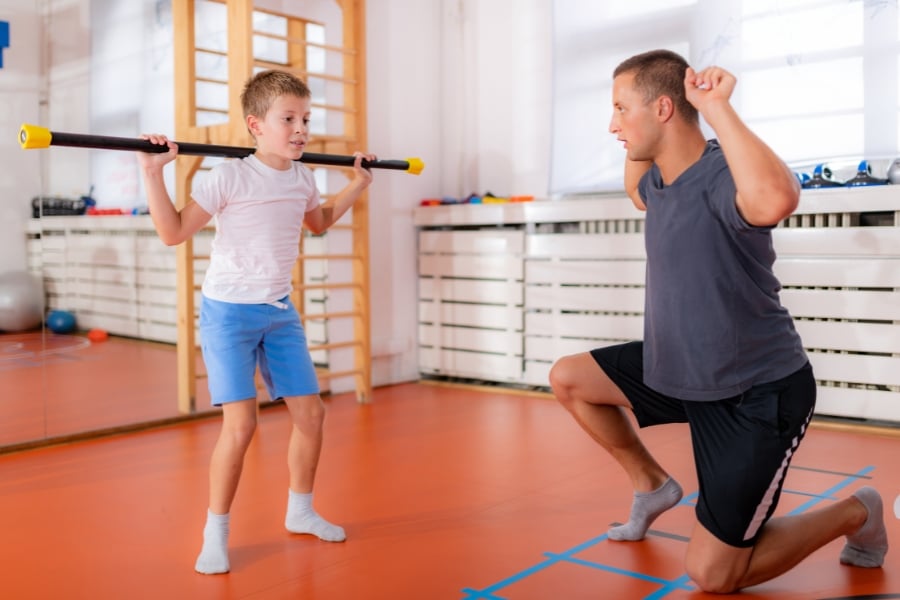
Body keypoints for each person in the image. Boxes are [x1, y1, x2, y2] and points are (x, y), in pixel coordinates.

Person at [548, 49, 888, 594]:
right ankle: (652, 484)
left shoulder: (723, 175)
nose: (611, 124)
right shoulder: (658, 186)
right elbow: (635, 188)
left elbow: (777, 197)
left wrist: (715, 107)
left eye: (620, 109)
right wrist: (639, 130)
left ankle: (856, 511)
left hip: (754, 393)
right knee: (569, 378)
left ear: (662, 109)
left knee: (712, 574)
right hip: (679, 368)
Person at [138, 69, 376, 574]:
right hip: (228, 313)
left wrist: (358, 183)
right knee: (241, 426)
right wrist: (153, 173)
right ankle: (216, 532)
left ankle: (301, 511)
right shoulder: (229, 176)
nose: (300, 129)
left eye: (305, 119)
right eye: (287, 118)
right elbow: (173, 232)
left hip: (278, 312)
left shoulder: (304, 177)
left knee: (311, 416)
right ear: (255, 125)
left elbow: (318, 223)